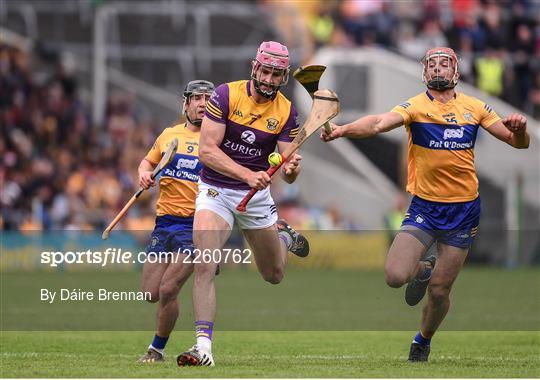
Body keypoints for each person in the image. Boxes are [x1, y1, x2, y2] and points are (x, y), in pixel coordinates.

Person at [321, 47, 529, 362]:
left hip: (463, 211)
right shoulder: (415, 107)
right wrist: (342, 130)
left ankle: (423, 340)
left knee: (440, 292)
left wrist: (521, 130)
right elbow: (378, 123)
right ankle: (422, 268)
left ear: (456, 73)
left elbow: (516, 142)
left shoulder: (475, 107)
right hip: (425, 208)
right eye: (432, 65)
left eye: (445, 64)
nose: (438, 69)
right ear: (425, 73)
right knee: (393, 276)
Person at [176, 41, 309, 367]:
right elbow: (207, 151)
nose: (268, 78)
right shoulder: (225, 95)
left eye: (276, 74)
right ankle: (203, 347)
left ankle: (282, 237)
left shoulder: (287, 112)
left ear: (284, 77)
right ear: (254, 67)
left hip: (257, 199)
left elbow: (287, 171)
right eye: (264, 70)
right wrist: (247, 175)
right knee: (205, 263)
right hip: (216, 192)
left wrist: (292, 169)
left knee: (274, 275)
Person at [137, 80, 215, 363]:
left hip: (195, 224)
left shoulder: (217, 140)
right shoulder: (169, 135)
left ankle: (156, 350)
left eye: (208, 98)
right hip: (164, 222)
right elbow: (147, 163)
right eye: (197, 98)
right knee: (150, 293)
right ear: (186, 103)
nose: (202, 103)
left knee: (169, 288)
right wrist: (144, 175)